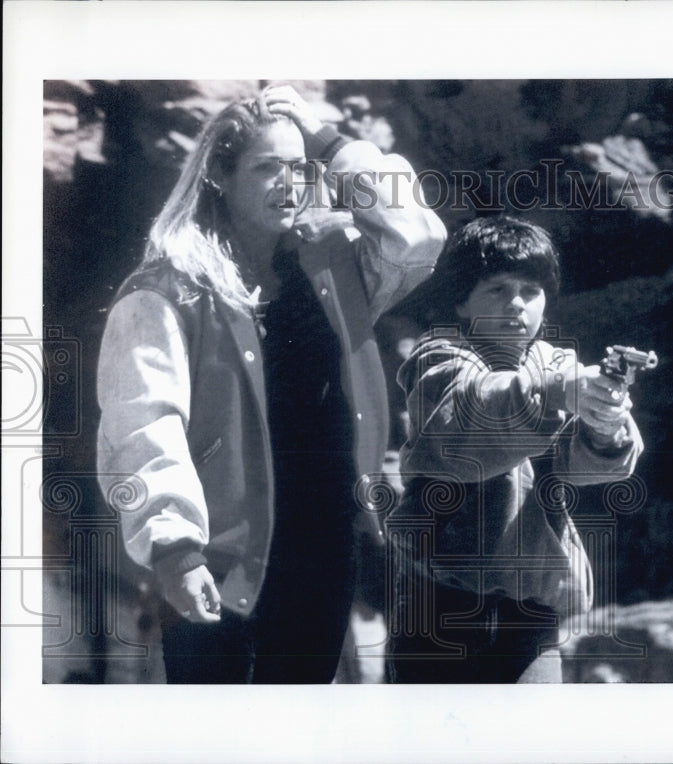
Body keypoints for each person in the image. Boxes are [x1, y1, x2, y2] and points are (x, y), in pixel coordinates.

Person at [95, 85, 446, 683]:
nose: (289, 182)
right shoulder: (164, 291)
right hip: (218, 563)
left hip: (324, 555)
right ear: (219, 176)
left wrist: (328, 142)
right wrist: (175, 550)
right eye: (267, 168)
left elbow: (417, 235)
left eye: (300, 167)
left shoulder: (332, 267)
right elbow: (144, 427)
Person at [385, 216, 643, 683]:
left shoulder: (555, 363)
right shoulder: (438, 356)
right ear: (461, 301)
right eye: (497, 289)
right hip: (438, 602)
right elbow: (469, 423)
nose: (517, 303)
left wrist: (605, 424)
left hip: (531, 612)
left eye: (531, 290)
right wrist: (560, 392)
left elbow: (585, 466)